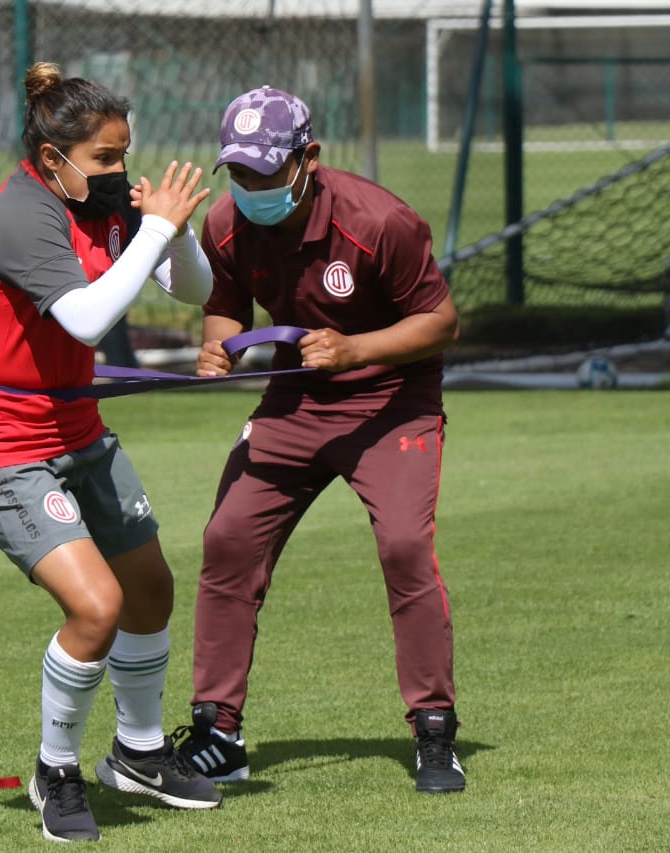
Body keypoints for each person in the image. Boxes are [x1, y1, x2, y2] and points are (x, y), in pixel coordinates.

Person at [0, 61, 221, 843]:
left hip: (78, 431)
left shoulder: (98, 202)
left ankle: (138, 753)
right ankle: (55, 769)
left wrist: (178, 229)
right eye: (103, 158)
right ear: (51, 154)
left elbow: (192, 291)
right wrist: (154, 231)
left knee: (151, 590)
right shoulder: (25, 214)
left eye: (124, 154)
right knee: (96, 607)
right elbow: (90, 320)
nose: (119, 171)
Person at [171, 85, 466, 794]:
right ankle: (218, 731)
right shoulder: (226, 221)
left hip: (393, 402)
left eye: (265, 174)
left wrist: (355, 349)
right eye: (238, 174)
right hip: (297, 400)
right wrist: (220, 351)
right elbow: (224, 307)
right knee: (228, 538)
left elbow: (442, 321)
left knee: (403, 546)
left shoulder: (381, 220)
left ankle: (434, 729)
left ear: (309, 159)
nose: (250, 189)